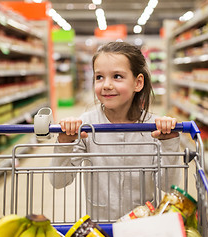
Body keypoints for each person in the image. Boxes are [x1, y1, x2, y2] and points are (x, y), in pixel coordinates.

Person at [49, 41, 181, 221]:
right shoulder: (86, 125)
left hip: (142, 226)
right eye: (99, 77)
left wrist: (170, 143)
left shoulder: (154, 128)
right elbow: (58, 182)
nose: (106, 85)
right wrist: (64, 143)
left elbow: (170, 186)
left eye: (117, 76)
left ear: (138, 82)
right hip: (101, 225)